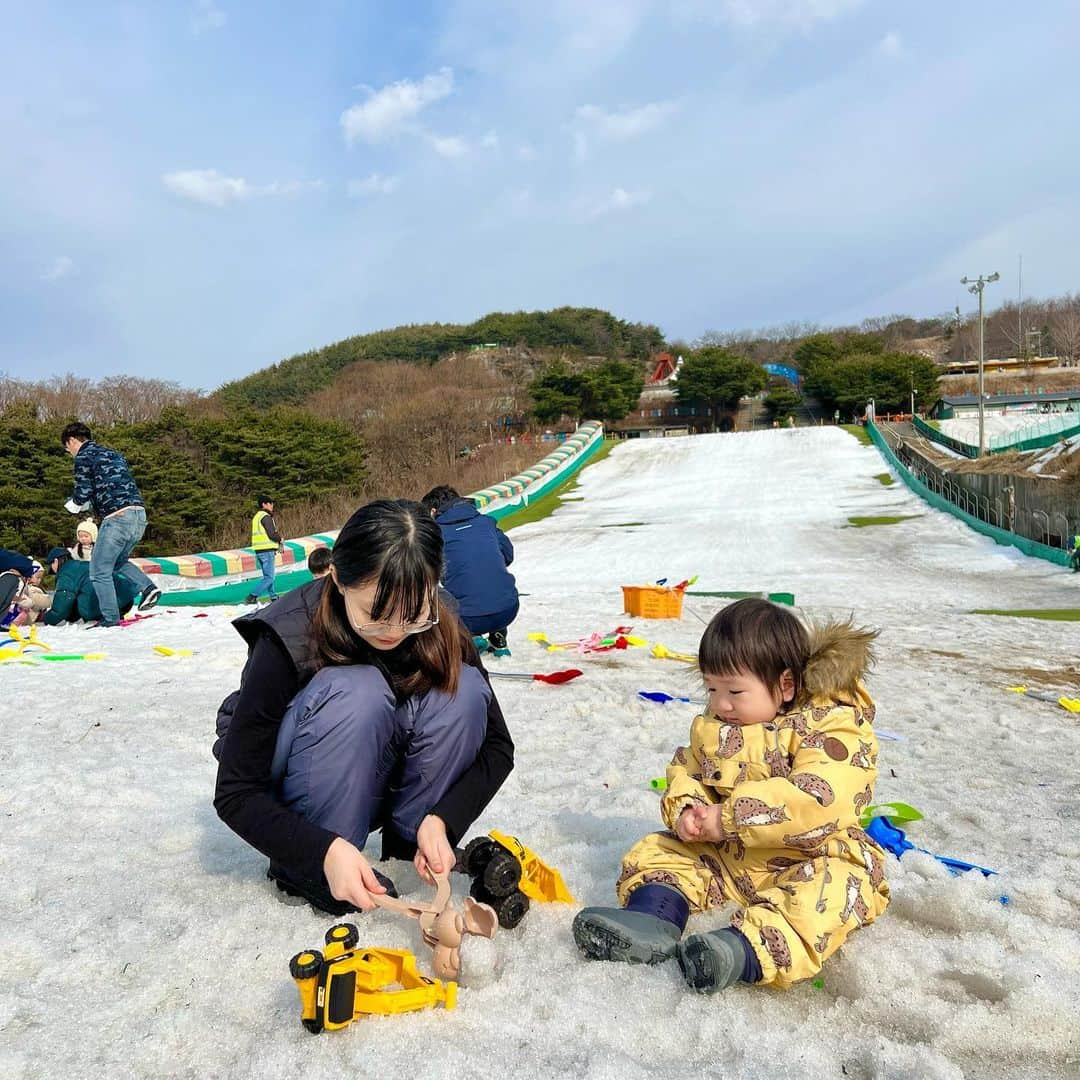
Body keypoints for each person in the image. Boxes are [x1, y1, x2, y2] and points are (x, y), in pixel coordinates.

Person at [213, 499, 515, 915]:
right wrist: (321, 850)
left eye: (413, 615)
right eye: (376, 614)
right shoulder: (289, 634)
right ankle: (317, 865)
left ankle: (409, 844)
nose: (394, 631)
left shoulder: (439, 617)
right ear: (337, 578)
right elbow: (235, 792)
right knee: (358, 690)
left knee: (461, 690)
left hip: (377, 771)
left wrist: (441, 819)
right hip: (301, 780)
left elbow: (499, 748)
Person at [573, 597, 889, 993]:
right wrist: (687, 808)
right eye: (711, 688)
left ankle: (739, 952)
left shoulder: (831, 727)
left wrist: (728, 819)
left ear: (786, 684)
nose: (721, 704)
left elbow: (818, 800)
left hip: (807, 859)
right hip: (727, 858)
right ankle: (652, 917)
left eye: (735, 691)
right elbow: (687, 768)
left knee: (837, 890)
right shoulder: (716, 726)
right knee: (660, 849)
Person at [60, 422, 161, 626]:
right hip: (138, 515)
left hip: (117, 518)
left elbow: (83, 489)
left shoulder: (83, 456)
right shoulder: (113, 454)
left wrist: (75, 504)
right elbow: (110, 484)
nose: (69, 452)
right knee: (116, 561)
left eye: (67, 448)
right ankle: (148, 588)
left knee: (98, 571)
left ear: (72, 440)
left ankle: (110, 618)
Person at [420, 485, 519, 658]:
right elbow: (508, 555)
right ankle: (498, 637)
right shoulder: (487, 522)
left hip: (468, 618)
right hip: (508, 609)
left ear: (433, 511)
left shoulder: (437, 534)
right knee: (488, 578)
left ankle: (469, 637)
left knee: (437, 592)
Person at [41, 546, 139, 625]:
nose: (53, 570)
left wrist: (46, 618)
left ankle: (106, 614)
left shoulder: (66, 573)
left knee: (80, 604)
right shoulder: (84, 565)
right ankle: (116, 612)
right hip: (126, 600)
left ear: (56, 561)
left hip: (101, 607)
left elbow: (62, 605)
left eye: (51, 566)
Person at [246, 495, 282, 605]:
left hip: (259, 550)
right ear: (264, 504)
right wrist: (280, 539)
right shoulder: (266, 517)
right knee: (269, 577)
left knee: (268, 576)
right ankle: (252, 596)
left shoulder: (257, 517)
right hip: (267, 550)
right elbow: (271, 534)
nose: (272, 506)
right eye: (270, 503)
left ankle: (273, 597)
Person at [11, 562, 50, 626]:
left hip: (33, 616)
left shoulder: (37, 588)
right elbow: (41, 601)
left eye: (40, 578)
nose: (39, 580)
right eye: (37, 577)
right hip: (26, 616)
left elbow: (44, 603)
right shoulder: (28, 588)